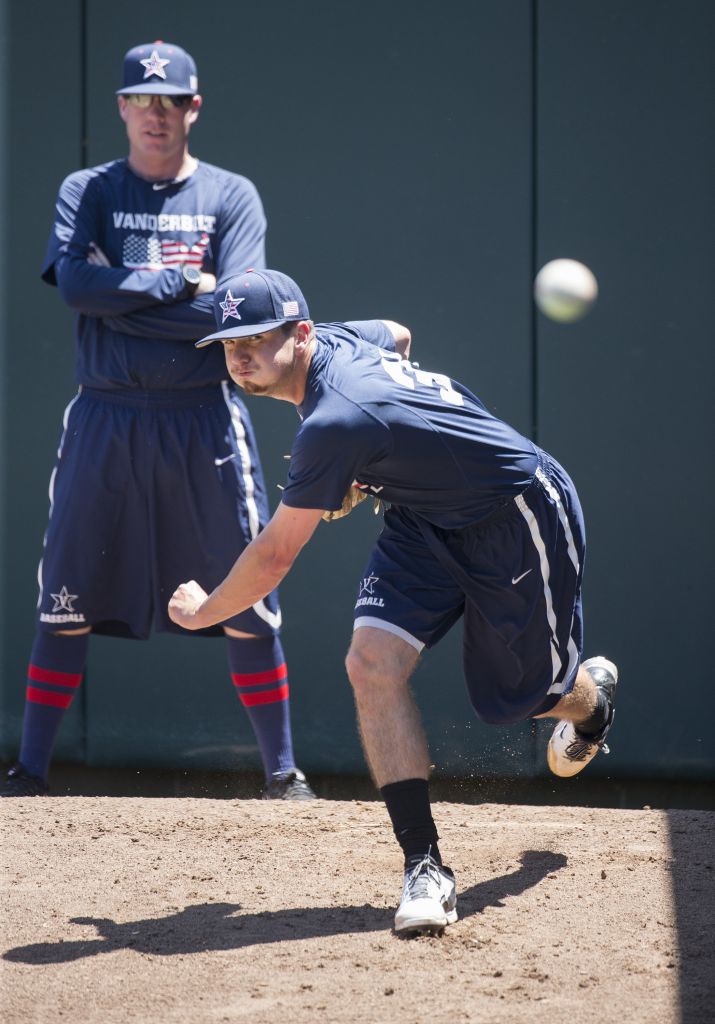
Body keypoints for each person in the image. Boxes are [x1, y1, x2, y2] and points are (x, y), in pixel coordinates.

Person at [167, 267, 618, 935]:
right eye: (229, 343)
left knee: (514, 702)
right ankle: (425, 866)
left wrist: (204, 611)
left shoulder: (334, 419)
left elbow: (274, 557)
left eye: (257, 339)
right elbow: (397, 334)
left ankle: (590, 701)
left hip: (514, 517)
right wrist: (387, 452)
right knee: (370, 663)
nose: (241, 355)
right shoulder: (342, 349)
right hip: (419, 518)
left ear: (301, 334)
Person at [0, 43, 314, 801]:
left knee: (246, 595)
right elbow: (75, 285)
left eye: (170, 100)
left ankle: (283, 775)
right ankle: (30, 773)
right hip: (104, 415)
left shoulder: (231, 196)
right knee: (65, 596)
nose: (155, 114)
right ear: (120, 107)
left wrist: (125, 296)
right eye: (141, 100)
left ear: (193, 108)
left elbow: (236, 314)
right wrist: (177, 283)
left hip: (199, 420)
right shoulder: (90, 188)